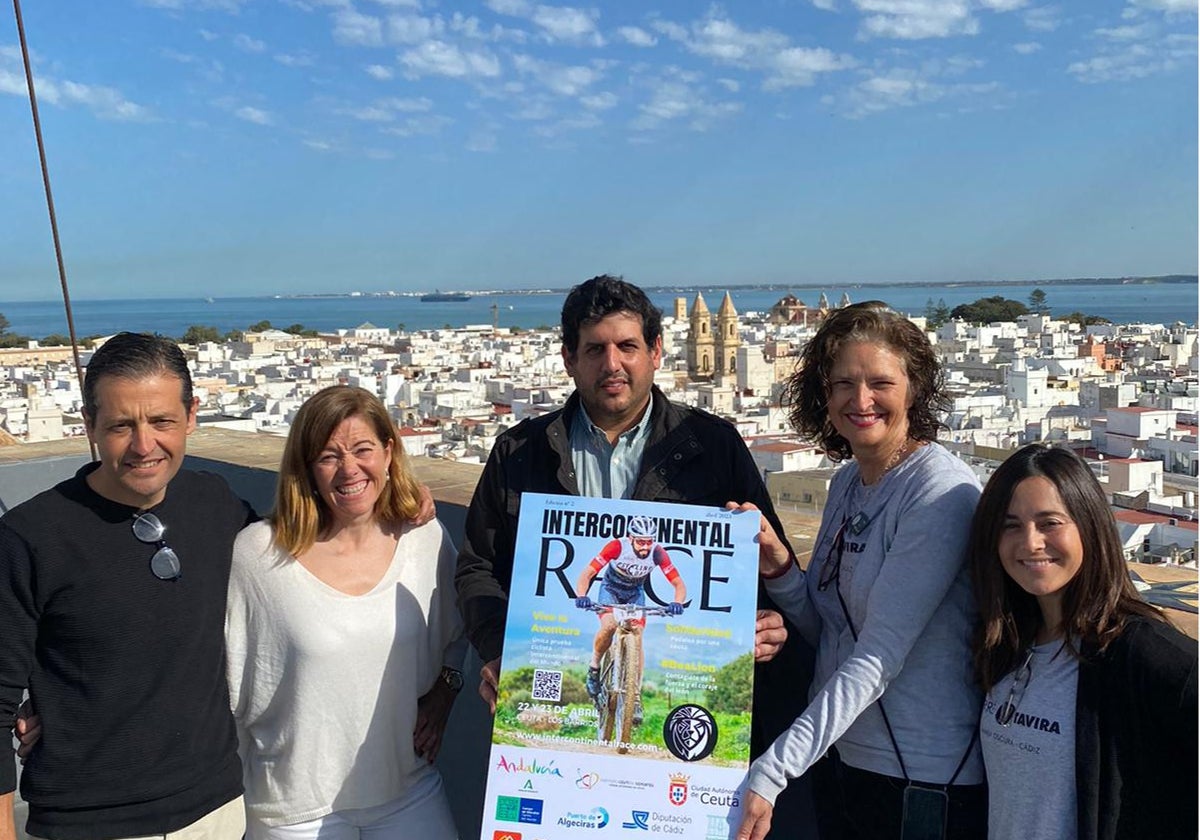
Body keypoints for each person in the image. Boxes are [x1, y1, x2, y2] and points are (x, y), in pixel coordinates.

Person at [454, 275, 813, 829]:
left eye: (627, 347)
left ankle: (636, 702)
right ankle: (598, 677)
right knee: (602, 632)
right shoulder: (519, 452)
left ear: (656, 354)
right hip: (597, 605)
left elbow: (756, 562)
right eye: (595, 349)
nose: (612, 364)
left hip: (687, 760)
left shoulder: (712, 446)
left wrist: (765, 623)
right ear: (570, 358)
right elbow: (480, 565)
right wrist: (501, 648)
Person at [736, 301, 987, 840]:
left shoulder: (939, 493)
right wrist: (781, 565)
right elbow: (829, 629)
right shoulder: (847, 483)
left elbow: (878, 655)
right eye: (843, 383)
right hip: (844, 759)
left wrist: (775, 768)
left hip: (922, 779)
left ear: (914, 389)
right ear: (823, 395)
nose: (861, 400)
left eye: (880, 382)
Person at [0, 332, 254, 840]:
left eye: (161, 421)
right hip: (93, 823)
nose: (144, 445)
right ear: (90, 425)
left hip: (218, 808)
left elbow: (303, 551)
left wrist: (398, 510)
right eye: (121, 425)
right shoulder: (32, 538)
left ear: (191, 415)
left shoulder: (216, 503)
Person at [225, 385, 465, 840]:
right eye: (329, 456)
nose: (349, 469)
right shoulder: (259, 555)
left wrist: (446, 689)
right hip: (293, 810)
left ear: (389, 452)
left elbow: (458, 631)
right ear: (308, 468)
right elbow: (231, 688)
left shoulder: (422, 538)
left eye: (362, 450)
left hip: (405, 791)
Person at [969, 444, 1197, 840]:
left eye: (1050, 522)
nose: (1030, 542)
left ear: (1089, 526)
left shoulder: (1138, 652)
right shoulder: (1008, 644)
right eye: (1010, 525)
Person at [573, 513, 687, 701]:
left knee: (638, 635)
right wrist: (582, 596)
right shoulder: (616, 546)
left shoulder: (657, 552)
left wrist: (677, 602)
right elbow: (588, 573)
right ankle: (594, 668)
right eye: (641, 542)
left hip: (635, 592)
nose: (645, 547)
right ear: (631, 538)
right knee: (609, 626)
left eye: (649, 542)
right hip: (611, 589)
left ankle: (635, 696)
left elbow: (678, 584)